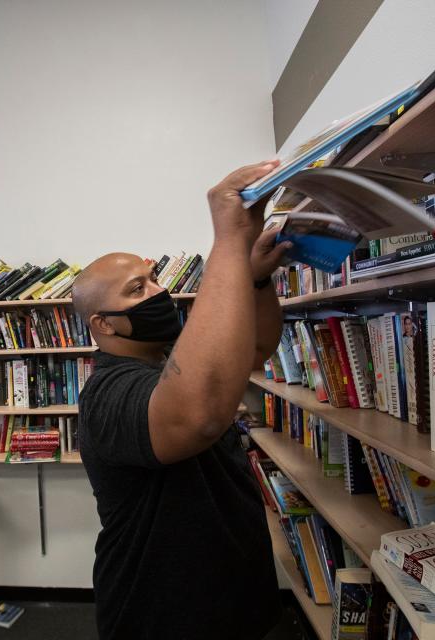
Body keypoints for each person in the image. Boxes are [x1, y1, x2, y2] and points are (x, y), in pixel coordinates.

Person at [72, 161, 292, 640]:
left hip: (238, 598)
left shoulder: (171, 356)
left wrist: (253, 280)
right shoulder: (106, 394)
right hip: (162, 616)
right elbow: (198, 417)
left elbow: (254, 349)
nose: (159, 292)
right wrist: (229, 243)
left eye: (153, 279)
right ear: (104, 325)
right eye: (137, 290)